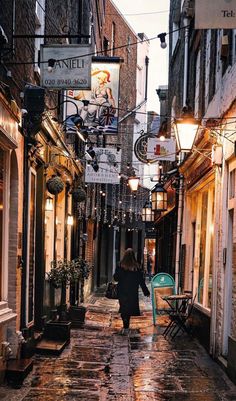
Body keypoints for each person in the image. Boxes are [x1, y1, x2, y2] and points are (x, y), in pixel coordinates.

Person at [113, 248, 150, 335]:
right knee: (129, 308)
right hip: (132, 291)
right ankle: (126, 325)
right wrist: (146, 291)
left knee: (123, 307)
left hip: (122, 290)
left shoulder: (120, 265)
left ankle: (125, 325)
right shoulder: (137, 266)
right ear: (133, 256)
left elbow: (116, 278)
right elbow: (141, 280)